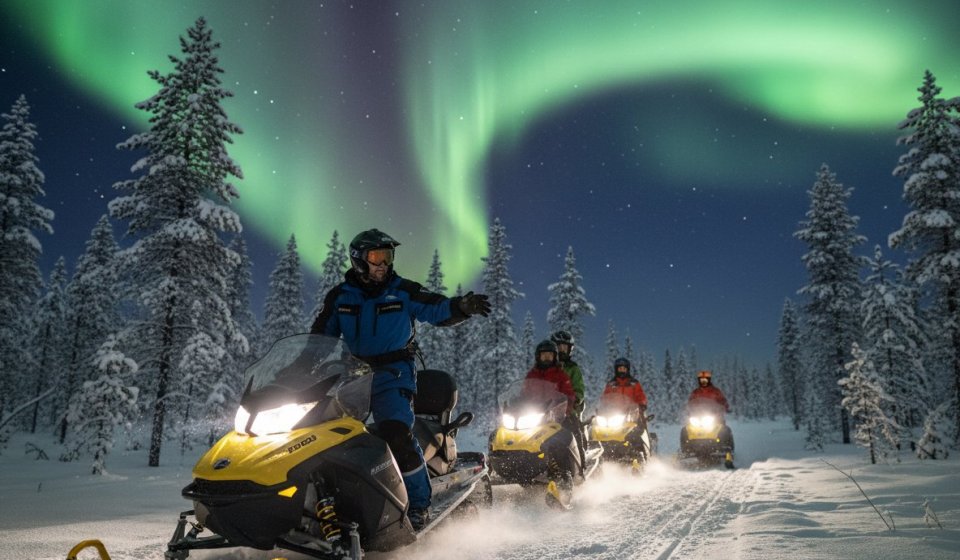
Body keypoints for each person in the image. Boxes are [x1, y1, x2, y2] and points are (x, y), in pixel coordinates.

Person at [310, 228, 490, 530]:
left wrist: (460, 307)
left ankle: (419, 506)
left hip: (393, 375)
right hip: (353, 378)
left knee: (395, 432)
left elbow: (434, 307)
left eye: (388, 256)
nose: (383, 263)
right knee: (327, 434)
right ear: (359, 259)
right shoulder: (341, 297)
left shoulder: (403, 291)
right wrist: (299, 369)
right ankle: (324, 502)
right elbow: (319, 337)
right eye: (376, 257)